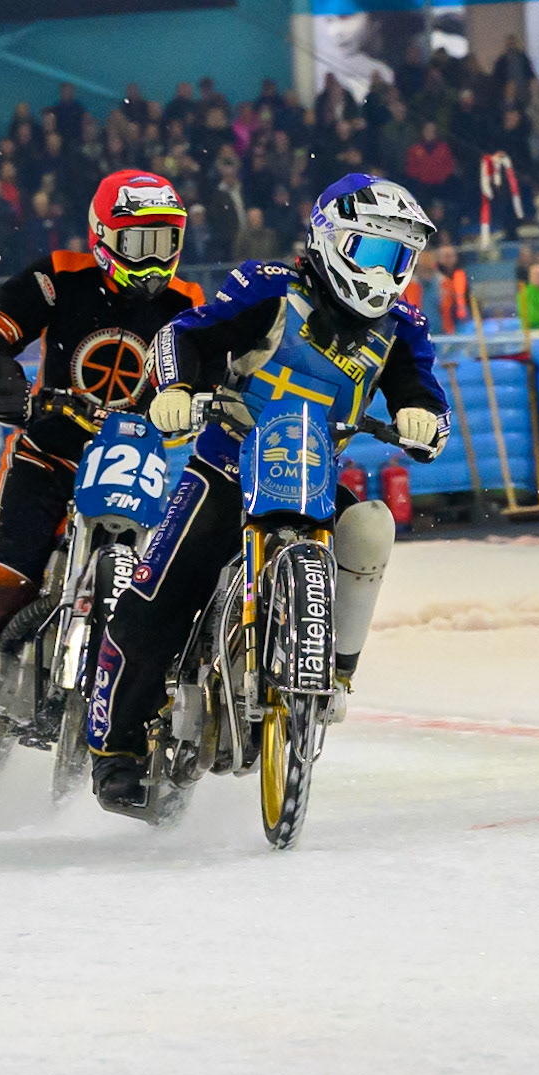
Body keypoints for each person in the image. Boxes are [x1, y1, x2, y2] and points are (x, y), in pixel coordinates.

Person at [88, 174, 448, 814]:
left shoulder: (402, 327)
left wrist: (425, 418)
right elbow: (187, 335)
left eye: (400, 259)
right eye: (372, 252)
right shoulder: (269, 289)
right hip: (225, 467)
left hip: (312, 475)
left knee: (371, 526)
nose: (385, 274)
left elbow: (422, 389)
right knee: (156, 596)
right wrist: (174, 388)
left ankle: (334, 674)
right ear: (332, 240)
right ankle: (117, 751)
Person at [0, 170, 204, 772]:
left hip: (137, 464)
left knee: (168, 592)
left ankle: (151, 725)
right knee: (8, 576)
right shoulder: (59, 276)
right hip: (47, 456)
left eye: (166, 243)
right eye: (140, 243)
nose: (154, 260)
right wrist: (3, 375)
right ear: (102, 237)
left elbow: (217, 362)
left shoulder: (187, 303)